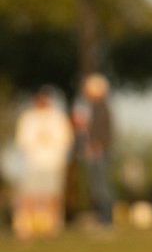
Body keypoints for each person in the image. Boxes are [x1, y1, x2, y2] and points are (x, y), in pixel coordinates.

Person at [12, 86, 74, 240]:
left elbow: (66, 139)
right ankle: (24, 228)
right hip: (33, 163)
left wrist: (51, 141)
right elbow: (22, 140)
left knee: (52, 196)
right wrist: (38, 139)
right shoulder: (28, 118)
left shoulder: (58, 117)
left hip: (53, 163)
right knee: (29, 196)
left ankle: (52, 227)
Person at [72, 73, 115, 227]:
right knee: (97, 188)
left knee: (102, 187)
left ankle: (107, 221)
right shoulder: (90, 107)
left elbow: (104, 132)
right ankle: (102, 219)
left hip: (100, 151)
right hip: (94, 151)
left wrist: (96, 145)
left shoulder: (101, 107)